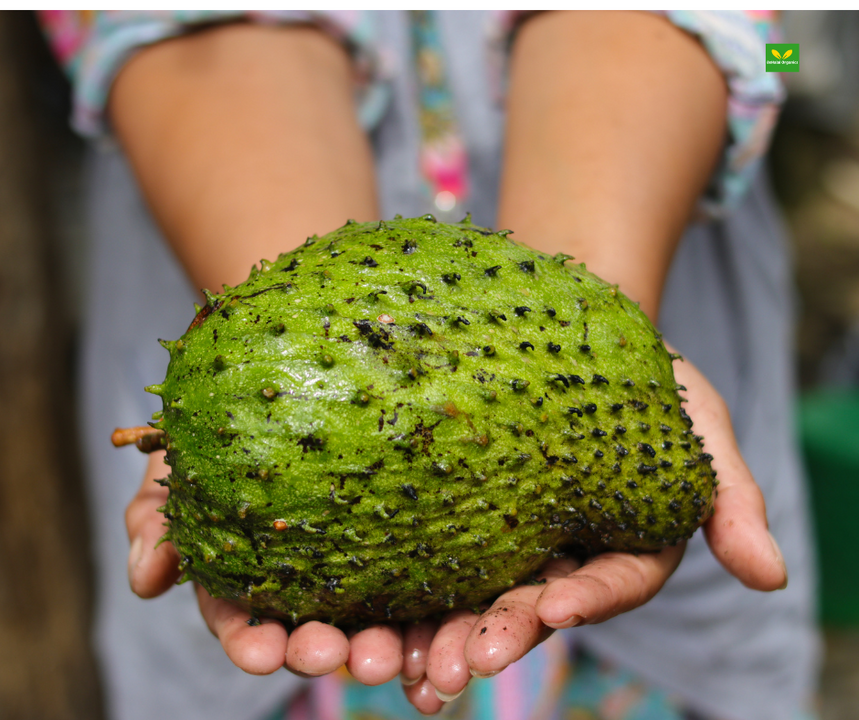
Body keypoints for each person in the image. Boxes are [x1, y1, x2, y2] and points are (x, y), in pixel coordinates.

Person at [40, 10, 819, 720]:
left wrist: (598, 306)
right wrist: (282, 354)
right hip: (220, 203)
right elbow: (188, 31)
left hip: (641, 205)